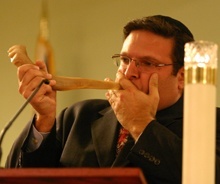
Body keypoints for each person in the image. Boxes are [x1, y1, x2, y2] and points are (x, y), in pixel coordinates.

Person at [5, 15, 220, 184]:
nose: (129, 73)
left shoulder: (209, 124)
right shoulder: (79, 116)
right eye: (125, 60)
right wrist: (44, 119)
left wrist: (140, 124)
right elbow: (16, 175)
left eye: (147, 63)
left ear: (181, 77)